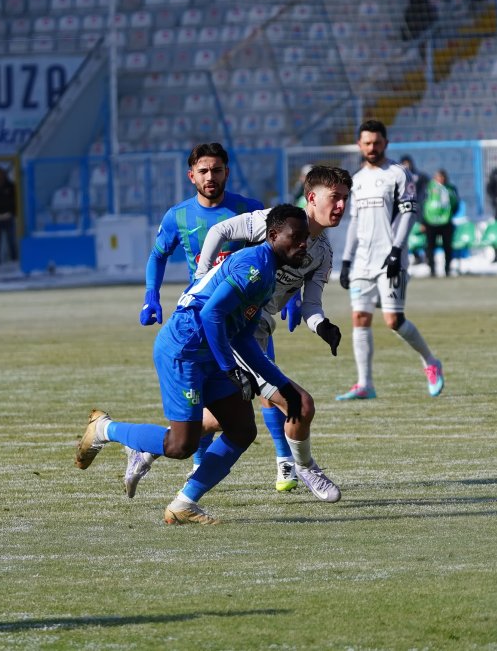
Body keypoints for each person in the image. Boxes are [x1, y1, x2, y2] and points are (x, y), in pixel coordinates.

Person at [76, 205, 312, 525]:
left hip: (209, 352)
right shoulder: (254, 266)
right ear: (272, 236)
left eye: (306, 238)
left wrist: (283, 386)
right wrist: (230, 368)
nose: (303, 244)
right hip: (184, 349)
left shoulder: (268, 273)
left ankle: (183, 504)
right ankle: (104, 429)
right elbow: (210, 314)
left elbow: (242, 337)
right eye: (295, 237)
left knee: (242, 430)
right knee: (180, 445)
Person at [131, 164, 348, 501]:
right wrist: (202, 277)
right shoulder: (274, 222)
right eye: (335, 197)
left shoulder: (323, 253)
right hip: (228, 332)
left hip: (253, 332)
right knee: (298, 404)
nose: (341, 206)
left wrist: (323, 326)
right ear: (312, 197)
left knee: (224, 420)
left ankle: (151, 450)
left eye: (346, 199)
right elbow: (219, 230)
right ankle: (302, 466)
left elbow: (312, 305)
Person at [138, 143, 270, 485]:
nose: (211, 177)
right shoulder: (178, 216)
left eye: (217, 170)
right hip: (202, 319)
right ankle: (198, 465)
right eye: (204, 171)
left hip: (245, 320)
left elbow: (273, 255)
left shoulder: (249, 210)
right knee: (217, 401)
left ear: (227, 172)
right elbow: (157, 255)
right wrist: (151, 295)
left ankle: (288, 462)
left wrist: (289, 298)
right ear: (191, 176)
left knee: (267, 390)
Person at [337, 119, 444, 400]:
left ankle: (431, 362)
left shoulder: (399, 174)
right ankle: (365, 384)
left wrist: (397, 249)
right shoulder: (356, 181)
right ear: (359, 145)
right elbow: (354, 223)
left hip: (390, 258)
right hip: (362, 261)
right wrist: (346, 261)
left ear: (386, 143)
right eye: (367, 143)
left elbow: (408, 213)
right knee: (359, 317)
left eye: (377, 142)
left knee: (394, 320)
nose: (372, 148)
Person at [419, 169, 460, 277]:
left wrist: (450, 214)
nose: (441, 179)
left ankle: (447, 268)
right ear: (435, 178)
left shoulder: (451, 189)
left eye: (443, 177)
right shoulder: (428, 188)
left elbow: (456, 203)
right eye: (439, 177)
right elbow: (422, 204)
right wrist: (422, 221)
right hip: (430, 221)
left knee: (447, 246)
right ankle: (432, 269)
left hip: (446, 221)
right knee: (430, 246)